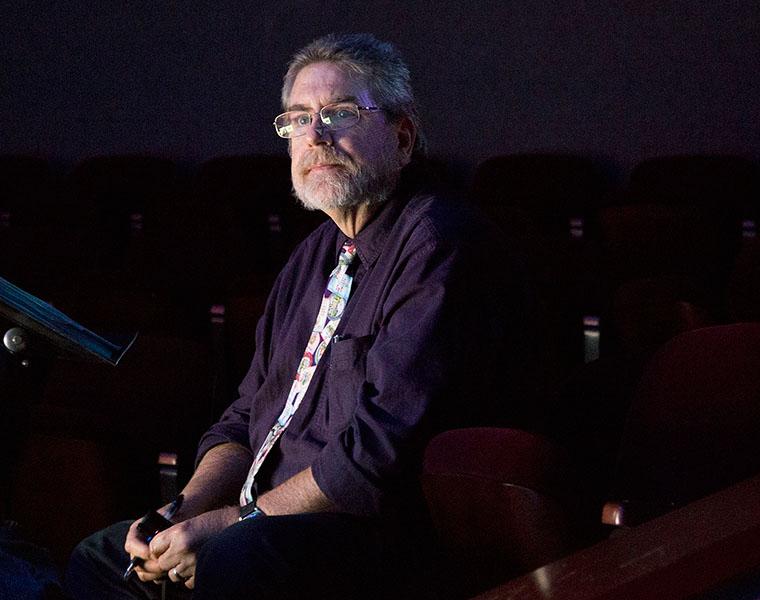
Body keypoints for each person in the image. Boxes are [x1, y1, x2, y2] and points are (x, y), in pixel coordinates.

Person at [66, 33, 537, 599]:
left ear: (402, 136)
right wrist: (182, 513)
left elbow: (378, 454)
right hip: (265, 523)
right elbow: (245, 416)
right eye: (297, 120)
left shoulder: (440, 244)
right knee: (101, 559)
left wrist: (233, 525)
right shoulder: (313, 255)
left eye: (338, 114)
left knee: (239, 561)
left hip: (381, 533)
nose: (315, 135)